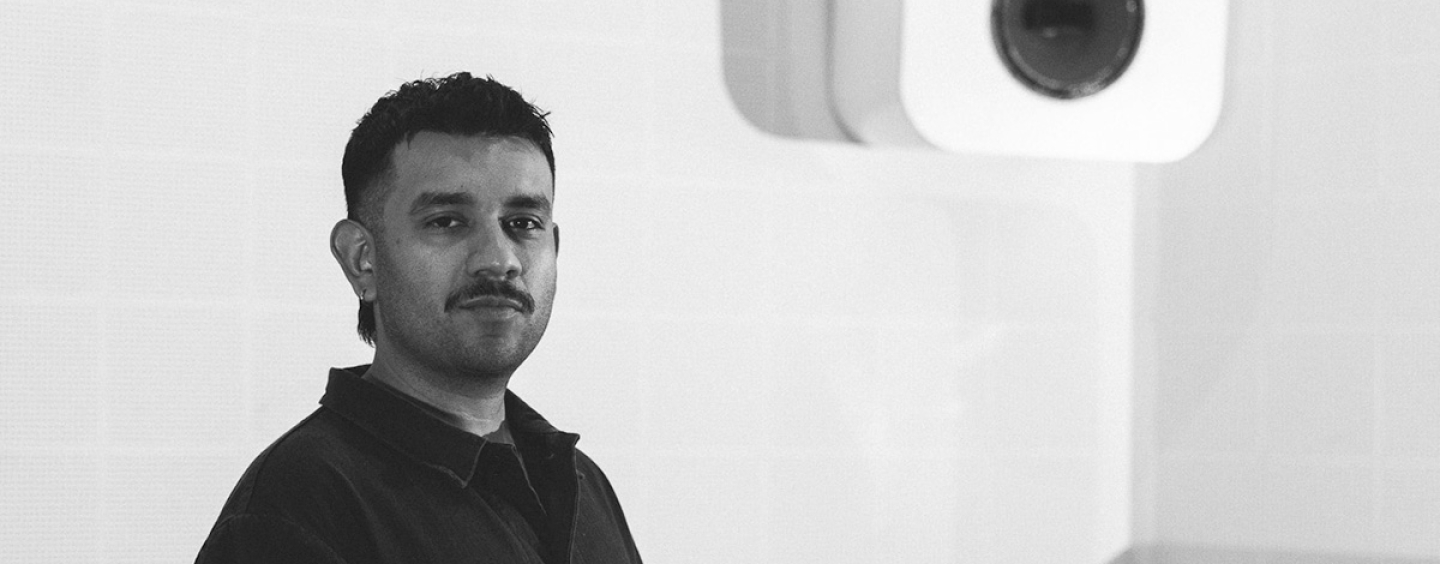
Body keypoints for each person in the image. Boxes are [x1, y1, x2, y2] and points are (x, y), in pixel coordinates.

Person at [195, 72, 643, 564]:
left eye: (523, 225)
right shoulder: (298, 506)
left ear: (555, 248)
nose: (499, 259)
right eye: (446, 221)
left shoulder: (581, 482)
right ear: (362, 259)